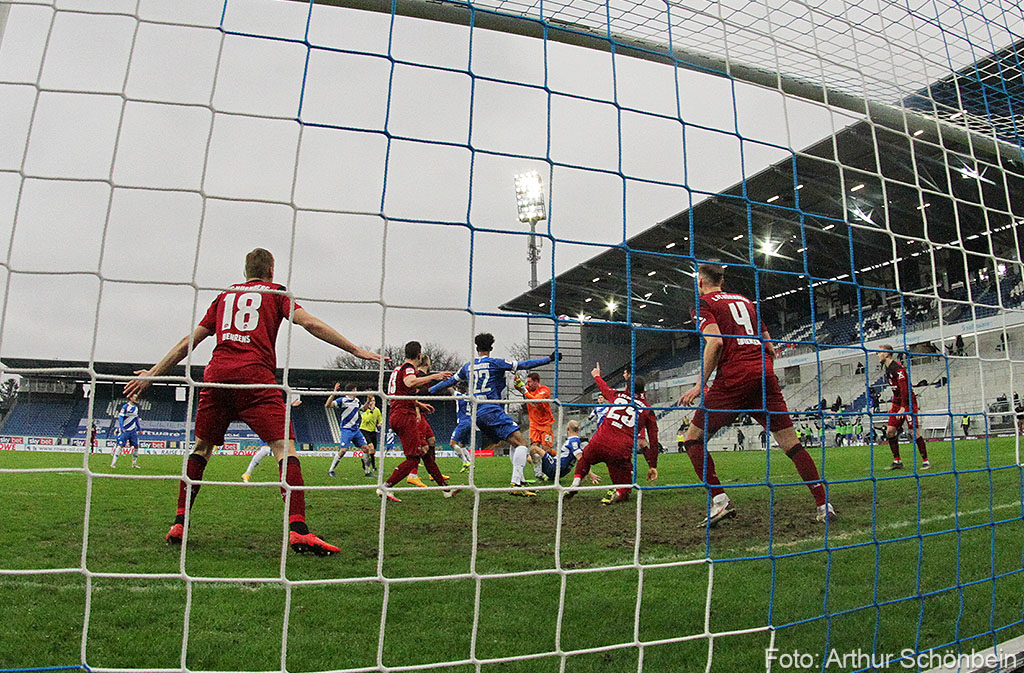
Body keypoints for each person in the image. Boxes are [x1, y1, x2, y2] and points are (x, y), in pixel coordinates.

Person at [124, 248, 382, 555]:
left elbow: (188, 342)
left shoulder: (223, 297)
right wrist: (355, 350)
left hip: (216, 377)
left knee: (201, 449)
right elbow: (311, 324)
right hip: (255, 378)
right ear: (271, 271)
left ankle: (179, 523)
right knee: (284, 449)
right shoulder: (276, 293)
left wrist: (152, 374)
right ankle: (299, 530)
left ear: (245, 272)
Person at [678, 263, 834, 525]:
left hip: (734, 377)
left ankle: (720, 501)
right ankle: (823, 505)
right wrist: (762, 370)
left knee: (692, 439)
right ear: (722, 281)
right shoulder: (745, 302)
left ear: (701, 282)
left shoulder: (702, 304)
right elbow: (770, 347)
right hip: (763, 374)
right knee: (791, 443)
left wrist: (699, 385)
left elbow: (715, 342)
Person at [429, 333, 559, 496]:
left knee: (514, 443)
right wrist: (549, 359)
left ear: (477, 348)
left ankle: (521, 480)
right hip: (492, 410)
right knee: (522, 444)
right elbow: (523, 365)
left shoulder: (468, 366)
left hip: (478, 415)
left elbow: (450, 382)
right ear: (491, 348)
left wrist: (430, 390)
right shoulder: (495, 363)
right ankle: (516, 484)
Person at [565, 363, 659, 504]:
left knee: (585, 459)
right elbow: (653, 438)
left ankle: (576, 483)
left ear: (627, 387)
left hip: (600, 440)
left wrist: (597, 376)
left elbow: (604, 388)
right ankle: (620, 492)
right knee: (625, 483)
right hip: (620, 448)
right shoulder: (647, 410)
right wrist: (652, 464)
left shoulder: (617, 395)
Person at [377, 341, 455, 502]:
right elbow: (410, 382)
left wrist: (418, 404)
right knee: (413, 458)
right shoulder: (408, 369)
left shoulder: (397, 369)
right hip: (405, 415)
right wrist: (434, 376)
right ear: (419, 355)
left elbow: (400, 393)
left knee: (425, 451)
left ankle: (445, 489)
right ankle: (385, 487)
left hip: (399, 413)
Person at [877, 345, 929, 470]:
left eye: (879, 352)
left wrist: (903, 407)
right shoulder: (887, 368)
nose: (877, 354)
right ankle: (897, 461)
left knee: (913, 432)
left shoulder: (898, 369)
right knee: (890, 432)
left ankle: (926, 461)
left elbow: (905, 389)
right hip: (897, 402)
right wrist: (895, 405)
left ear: (887, 354)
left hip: (908, 402)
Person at [325, 383, 374, 478]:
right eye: (356, 390)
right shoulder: (342, 400)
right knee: (343, 450)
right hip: (346, 429)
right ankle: (331, 470)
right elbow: (327, 405)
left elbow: (363, 409)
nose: (357, 392)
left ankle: (367, 472)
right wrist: (334, 393)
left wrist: (368, 400)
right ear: (352, 390)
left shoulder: (356, 401)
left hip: (356, 430)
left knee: (366, 448)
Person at [515, 372, 554, 482]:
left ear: (536, 381)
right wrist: (516, 380)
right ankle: (539, 474)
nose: (528, 384)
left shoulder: (544, 390)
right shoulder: (528, 389)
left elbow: (535, 401)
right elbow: (518, 387)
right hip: (534, 425)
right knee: (533, 449)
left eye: (530, 382)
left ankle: (553, 467)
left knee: (546, 451)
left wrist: (524, 390)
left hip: (546, 424)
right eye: (527, 382)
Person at [448, 381, 474, 472]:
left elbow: (449, 389)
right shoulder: (470, 397)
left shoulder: (459, 396)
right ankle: (471, 463)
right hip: (470, 422)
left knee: (452, 444)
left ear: (458, 389)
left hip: (463, 422)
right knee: (462, 445)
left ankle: (465, 462)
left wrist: (446, 380)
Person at [111, 393, 141, 469]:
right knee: (120, 446)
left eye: (136, 397)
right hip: (125, 430)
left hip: (133, 431)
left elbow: (136, 419)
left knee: (136, 446)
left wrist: (139, 429)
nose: (136, 399)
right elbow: (120, 418)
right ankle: (113, 463)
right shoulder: (125, 407)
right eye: (134, 397)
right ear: (130, 398)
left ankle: (134, 464)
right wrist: (122, 428)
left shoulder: (136, 408)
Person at [359, 395, 382, 475]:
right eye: (372, 401)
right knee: (370, 447)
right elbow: (366, 420)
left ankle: (367, 462)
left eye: (374, 401)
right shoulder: (364, 410)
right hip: (364, 430)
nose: (373, 402)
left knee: (373, 451)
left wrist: (380, 423)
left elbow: (380, 418)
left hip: (373, 431)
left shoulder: (377, 410)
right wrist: (371, 411)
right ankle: (370, 467)